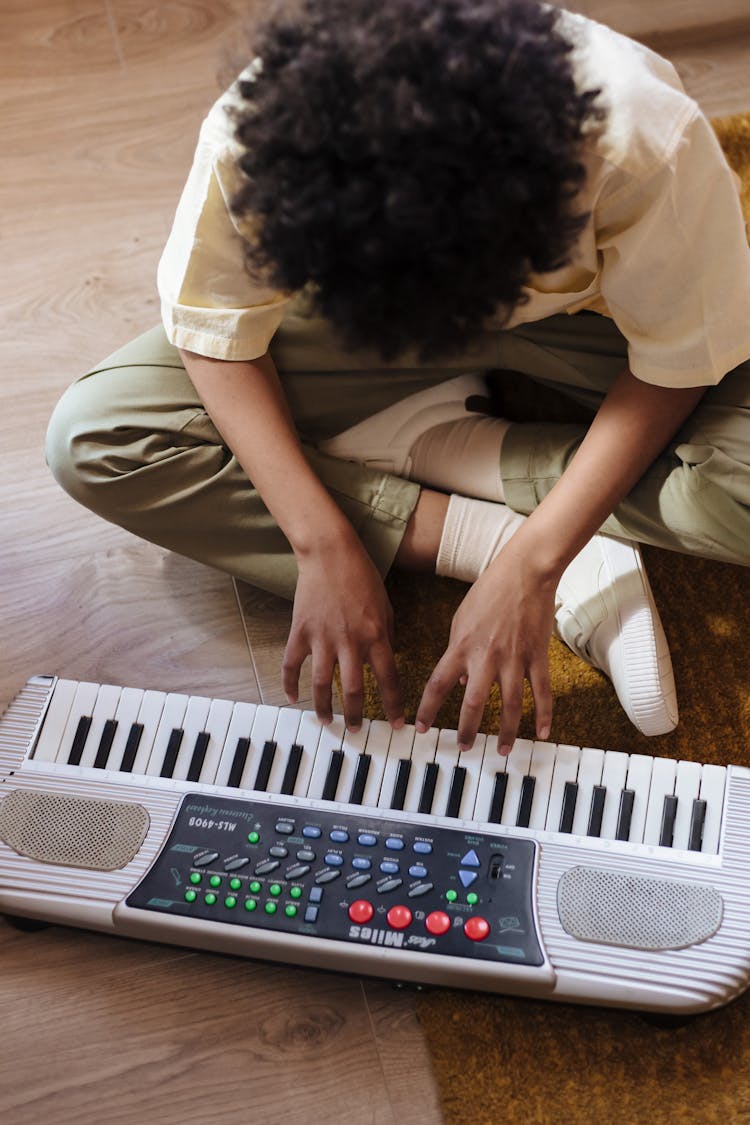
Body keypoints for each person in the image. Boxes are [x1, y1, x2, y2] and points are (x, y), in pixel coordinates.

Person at [46, 0, 750, 758]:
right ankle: (474, 516)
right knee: (97, 436)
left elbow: (675, 363)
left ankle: (449, 450)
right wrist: (319, 541)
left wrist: (536, 560)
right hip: (359, 316)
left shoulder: (642, 134)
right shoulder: (269, 132)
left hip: (590, 319)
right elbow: (214, 327)